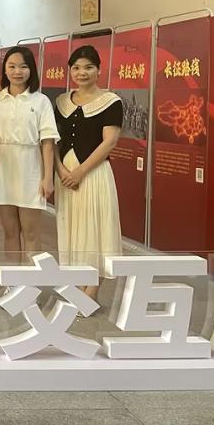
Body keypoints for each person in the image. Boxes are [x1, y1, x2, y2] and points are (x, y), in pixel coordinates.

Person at [0, 46, 59, 259]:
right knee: (10, 232)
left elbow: (48, 142)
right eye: (11, 66)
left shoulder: (40, 101)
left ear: (31, 70)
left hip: (31, 170)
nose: (17, 71)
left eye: (23, 66)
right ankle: (12, 278)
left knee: (31, 233)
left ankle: (31, 278)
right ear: (5, 69)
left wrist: (48, 178)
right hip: (2, 169)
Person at [54, 45, 123, 303]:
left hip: (93, 175)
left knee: (96, 229)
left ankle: (91, 291)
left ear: (99, 70)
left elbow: (109, 141)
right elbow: (52, 140)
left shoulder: (111, 102)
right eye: (76, 68)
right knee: (71, 226)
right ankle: (75, 283)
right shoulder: (61, 102)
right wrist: (60, 169)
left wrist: (80, 172)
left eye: (88, 67)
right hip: (65, 176)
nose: (82, 73)